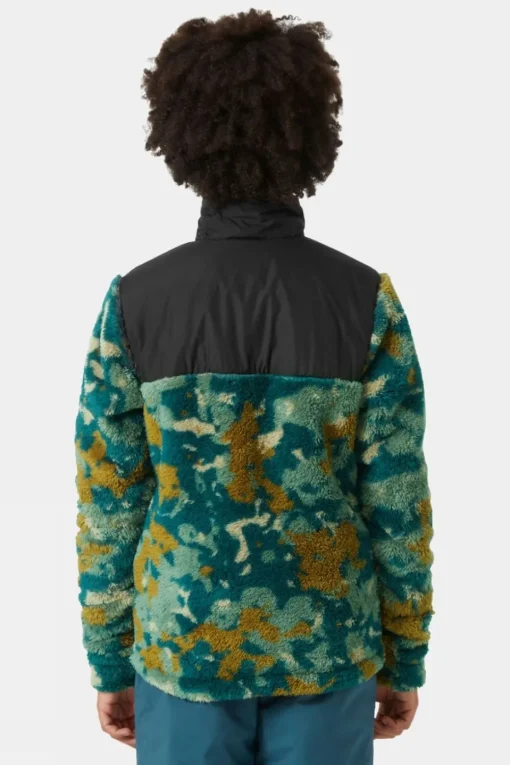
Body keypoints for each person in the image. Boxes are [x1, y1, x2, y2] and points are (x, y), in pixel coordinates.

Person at [74, 10, 433, 764]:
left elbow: (109, 501)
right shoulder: (365, 301)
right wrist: (405, 655)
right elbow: (398, 501)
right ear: (310, 134)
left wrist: (109, 660)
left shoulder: (135, 303)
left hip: (183, 648)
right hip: (329, 647)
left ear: (182, 135)